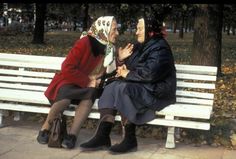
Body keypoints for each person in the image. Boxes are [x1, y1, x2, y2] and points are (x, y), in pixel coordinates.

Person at [80, 14, 176, 154]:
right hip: (142, 86)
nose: (136, 32)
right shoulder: (140, 45)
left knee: (123, 88)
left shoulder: (161, 48)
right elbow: (130, 65)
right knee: (111, 87)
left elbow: (151, 73)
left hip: (157, 90)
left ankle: (130, 139)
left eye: (140, 29)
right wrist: (121, 62)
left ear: (150, 30)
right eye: (137, 28)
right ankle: (102, 136)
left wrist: (128, 74)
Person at [36, 16, 119, 149]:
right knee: (66, 95)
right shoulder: (85, 42)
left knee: (90, 93)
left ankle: (72, 135)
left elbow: (109, 72)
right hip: (69, 80)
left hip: (87, 85)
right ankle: (46, 127)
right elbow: (67, 68)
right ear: (104, 29)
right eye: (114, 29)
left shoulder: (109, 48)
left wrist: (120, 59)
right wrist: (87, 81)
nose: (117, 33)